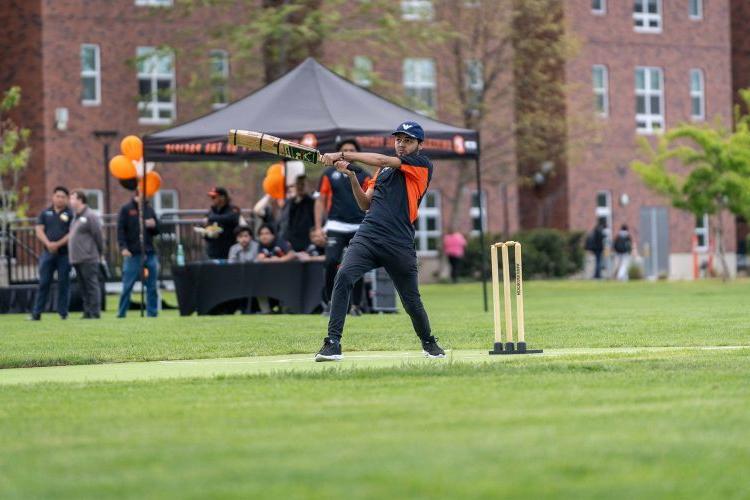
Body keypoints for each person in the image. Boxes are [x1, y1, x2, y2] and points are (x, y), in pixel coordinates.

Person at [314, 121, 445, 362]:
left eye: (408, 141)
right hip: (368, 236)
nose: (402, 145)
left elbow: (383, 160)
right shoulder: (382, 172)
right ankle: (333, 343)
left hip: (399, 242)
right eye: (398, 140)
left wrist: (340, 154)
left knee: (411, 300)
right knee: (343, 276)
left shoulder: (422, 165)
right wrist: (352, 175)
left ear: (419, 145)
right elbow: (365, 204)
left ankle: (429, 342)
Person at [314, 139, 371, 315]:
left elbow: (370, 201)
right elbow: (320, 201)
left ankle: (355, 306)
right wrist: (318, 228)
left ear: (356, 153)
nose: (347, 152)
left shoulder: (363, 173)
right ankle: (329, 303)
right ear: (338, 153)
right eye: (344, 150)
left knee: (357, 265)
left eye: (351, 150)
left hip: (358, 225)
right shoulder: (329, 174)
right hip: (335, 225)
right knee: (331, 261)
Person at [30, 186, 73, 320]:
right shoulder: (45, 213)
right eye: (57, 196)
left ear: (67, 199)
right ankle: (37, 313)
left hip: (64, 254)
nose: (60, 199)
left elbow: (72, 233)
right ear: (53, 197)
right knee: (43, 282)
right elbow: (39, 230)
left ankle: (63, 313)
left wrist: (58, 244)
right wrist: (49, 244)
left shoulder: (71, 214)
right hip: (47, 254)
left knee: (63, 283)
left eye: (63, 197)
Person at [117, 193, 160, 318]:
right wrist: (123, 248)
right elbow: (120, 230)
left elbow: (157, 231)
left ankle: (152, 313)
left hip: (149, 252)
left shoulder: (149, 209)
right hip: (132, 254)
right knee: (127, 286)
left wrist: (154, 226)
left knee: (152, 286)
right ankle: (122, 313)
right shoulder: (126, 209)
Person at [68, 189, 103, 319]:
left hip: (89, 257)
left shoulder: (90, 215)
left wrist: (99, 252)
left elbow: (98, 235)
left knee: (91, 285)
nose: (70, 201)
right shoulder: (75, 216)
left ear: (80, 200)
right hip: (77, 258)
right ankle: (87, 311)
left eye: (72, 198)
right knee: (83, 287)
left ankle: (95, 312)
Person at [279, 174, 315, 252]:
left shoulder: (312, 202)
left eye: (303, 184)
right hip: (291, 244)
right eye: (298, 184)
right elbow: (284, 222)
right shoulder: (289, 203)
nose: (300, 187)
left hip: (308, 243)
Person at [204, 186, 240, 259]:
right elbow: (207, 225)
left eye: (214, 197)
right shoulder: (212, 210)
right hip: (213, 250)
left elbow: (231, 218)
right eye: (211, 197)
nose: (212, 199)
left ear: (222, 197)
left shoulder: (233, 209)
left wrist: (211, 218)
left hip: (228, 250)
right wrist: (206, 233)